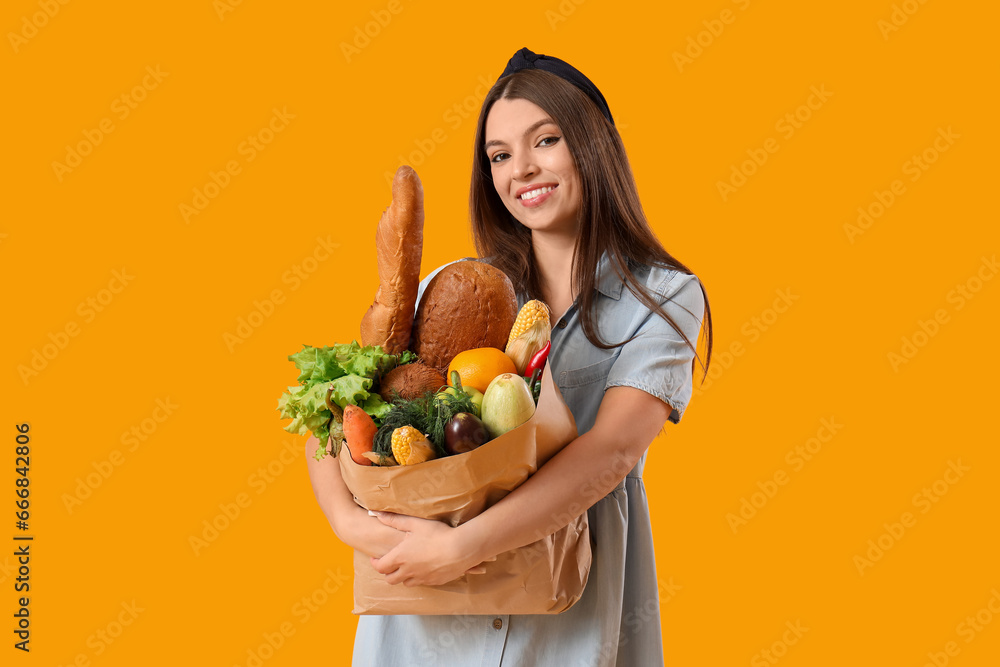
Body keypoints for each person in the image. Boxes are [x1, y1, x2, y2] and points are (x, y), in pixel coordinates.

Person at [306, 47, 714, 667]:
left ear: (594, 146)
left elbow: (613, 452)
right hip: (425, 621)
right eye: (499, 156)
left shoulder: (662, 299)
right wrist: (352, 525)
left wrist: (464, 547)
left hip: (567, 610)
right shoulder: (450, 291)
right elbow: (331, 417)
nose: (521, 168)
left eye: (545, 141)